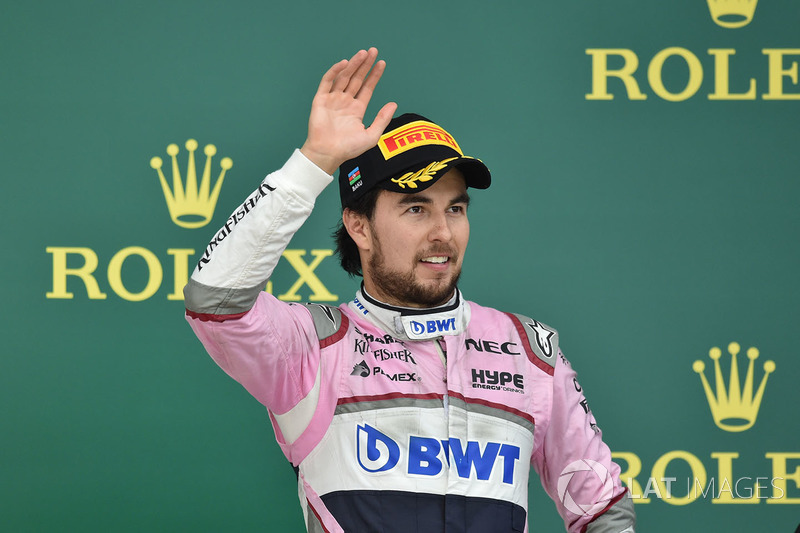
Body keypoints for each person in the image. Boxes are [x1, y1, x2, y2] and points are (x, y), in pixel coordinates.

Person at [184, 48, 636, 533]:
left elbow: (601, 508)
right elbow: (215, 299)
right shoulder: (312, 349)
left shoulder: (530, 352)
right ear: (358, 225)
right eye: (416, 209)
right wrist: (312, 163)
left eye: (456, 209)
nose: (443, 231)